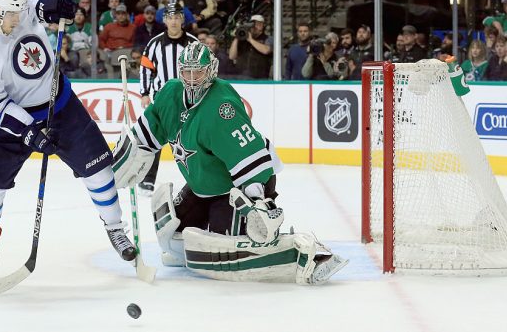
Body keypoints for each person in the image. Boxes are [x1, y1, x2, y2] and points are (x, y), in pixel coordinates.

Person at [112, 41, 348, 284]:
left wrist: (257, 202)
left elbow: (248, 158)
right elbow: (145, 136)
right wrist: (127, 153)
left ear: (211, 71)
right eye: (187, 72)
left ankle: (305, 252)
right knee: (172, 239)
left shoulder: (222, 106)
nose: (192, 79)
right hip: (203, 185)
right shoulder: (170, 94)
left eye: (198, 72)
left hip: (238, 186)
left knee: (225, 248)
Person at [0, 0, 136, 278]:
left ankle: (116, 228)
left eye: (20, 10)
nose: (19, 16)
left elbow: (40, 8)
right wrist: (29, 131)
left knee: (99, 170)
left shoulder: (17, 10)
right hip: (11, 123)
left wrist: (55, 5)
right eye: (12, 13)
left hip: (60, 107)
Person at [137, 2, 198, 195]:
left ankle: (198, 181)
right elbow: (146, 68)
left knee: (193, 141)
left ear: (182, 19)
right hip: (162, 100)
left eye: (177, 17)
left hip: (189, 100)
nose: (173, 21)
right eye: (170, 17)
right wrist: (145, 93)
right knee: (155, 137)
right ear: (164, 20)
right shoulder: (154, 43)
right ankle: (147, 180)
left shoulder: (193, 43)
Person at [228, 14, 272, 79]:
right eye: (252, 24)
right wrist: (237, 37)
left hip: (260, 78)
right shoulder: (242, 40)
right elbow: (231, 56)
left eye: (258, 24)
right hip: (241, 77)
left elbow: (266, 50)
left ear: (262, 26)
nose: (254, 27)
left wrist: (250, 40)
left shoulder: (268, 38)